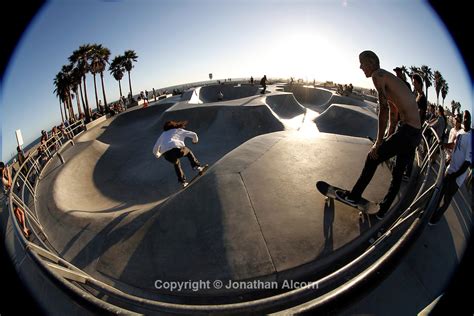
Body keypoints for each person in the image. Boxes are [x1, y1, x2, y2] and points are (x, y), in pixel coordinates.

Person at [335, 51, 421, 219]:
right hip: (415, 134)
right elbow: (394, 109)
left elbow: (384, 110)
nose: (360, 67)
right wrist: (390, 134)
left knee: (372, 157)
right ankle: (382, 211)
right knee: (397, 174)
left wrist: (379, 142)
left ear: (372, 62)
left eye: (362, 63)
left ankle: (353, 196)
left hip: (408, 130)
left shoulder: (378, 75)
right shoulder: (389, 78)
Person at [429, 110, 471, 225]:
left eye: (468, 118)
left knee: (447, 199)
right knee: (440, 192)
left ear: (471, 120)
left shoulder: (471, 138)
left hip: (457, 178)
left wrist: (454, 175)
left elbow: (467, 162)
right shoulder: (460, 132)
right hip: (450, 170)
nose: (465, 120)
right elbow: (454, 145)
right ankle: (430, 212)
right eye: (464, 117)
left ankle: (436, 218)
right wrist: (444, 145)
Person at [152, 120, 206, 188]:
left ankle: (183, 182)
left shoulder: (163, 134)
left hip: (167, 155)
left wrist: (158, 155)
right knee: (188, 152)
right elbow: (194, 134)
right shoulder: (178, 130)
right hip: (178, 150)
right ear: (174, 125)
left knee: (176, 163)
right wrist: (195, 141)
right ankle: (197, 166)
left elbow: (154, 150)